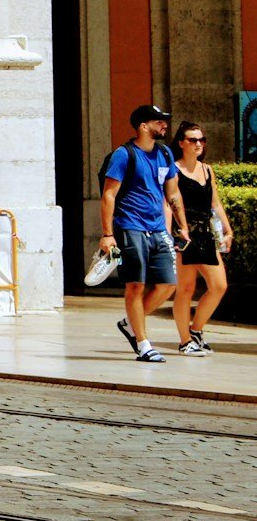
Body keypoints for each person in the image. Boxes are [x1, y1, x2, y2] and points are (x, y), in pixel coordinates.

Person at [97, 103, 190, 362]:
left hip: (158, 228)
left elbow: (172, 193)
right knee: (136, 285)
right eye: (158, 121)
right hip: (130, 227)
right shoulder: (123, 155)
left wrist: (182, 225)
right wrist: (107, 234)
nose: (164, 125)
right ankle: (143, 342)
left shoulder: (165, 155)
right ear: (143, 126)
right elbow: (109, 195)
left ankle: (129, 323)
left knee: (167, 284)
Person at [172, 121, 233, 356]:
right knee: (185, 289)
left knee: (219, 286)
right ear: (181, 143)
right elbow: (171, 203)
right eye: (192, 140)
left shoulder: (207, 170)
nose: (198, 144)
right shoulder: (173, 170)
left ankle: (195, 330)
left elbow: (214, 202)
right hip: (184, 233)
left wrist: (228, 230)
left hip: (205, 232)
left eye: (201, 140)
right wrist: (177, 231)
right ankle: (184, 341)